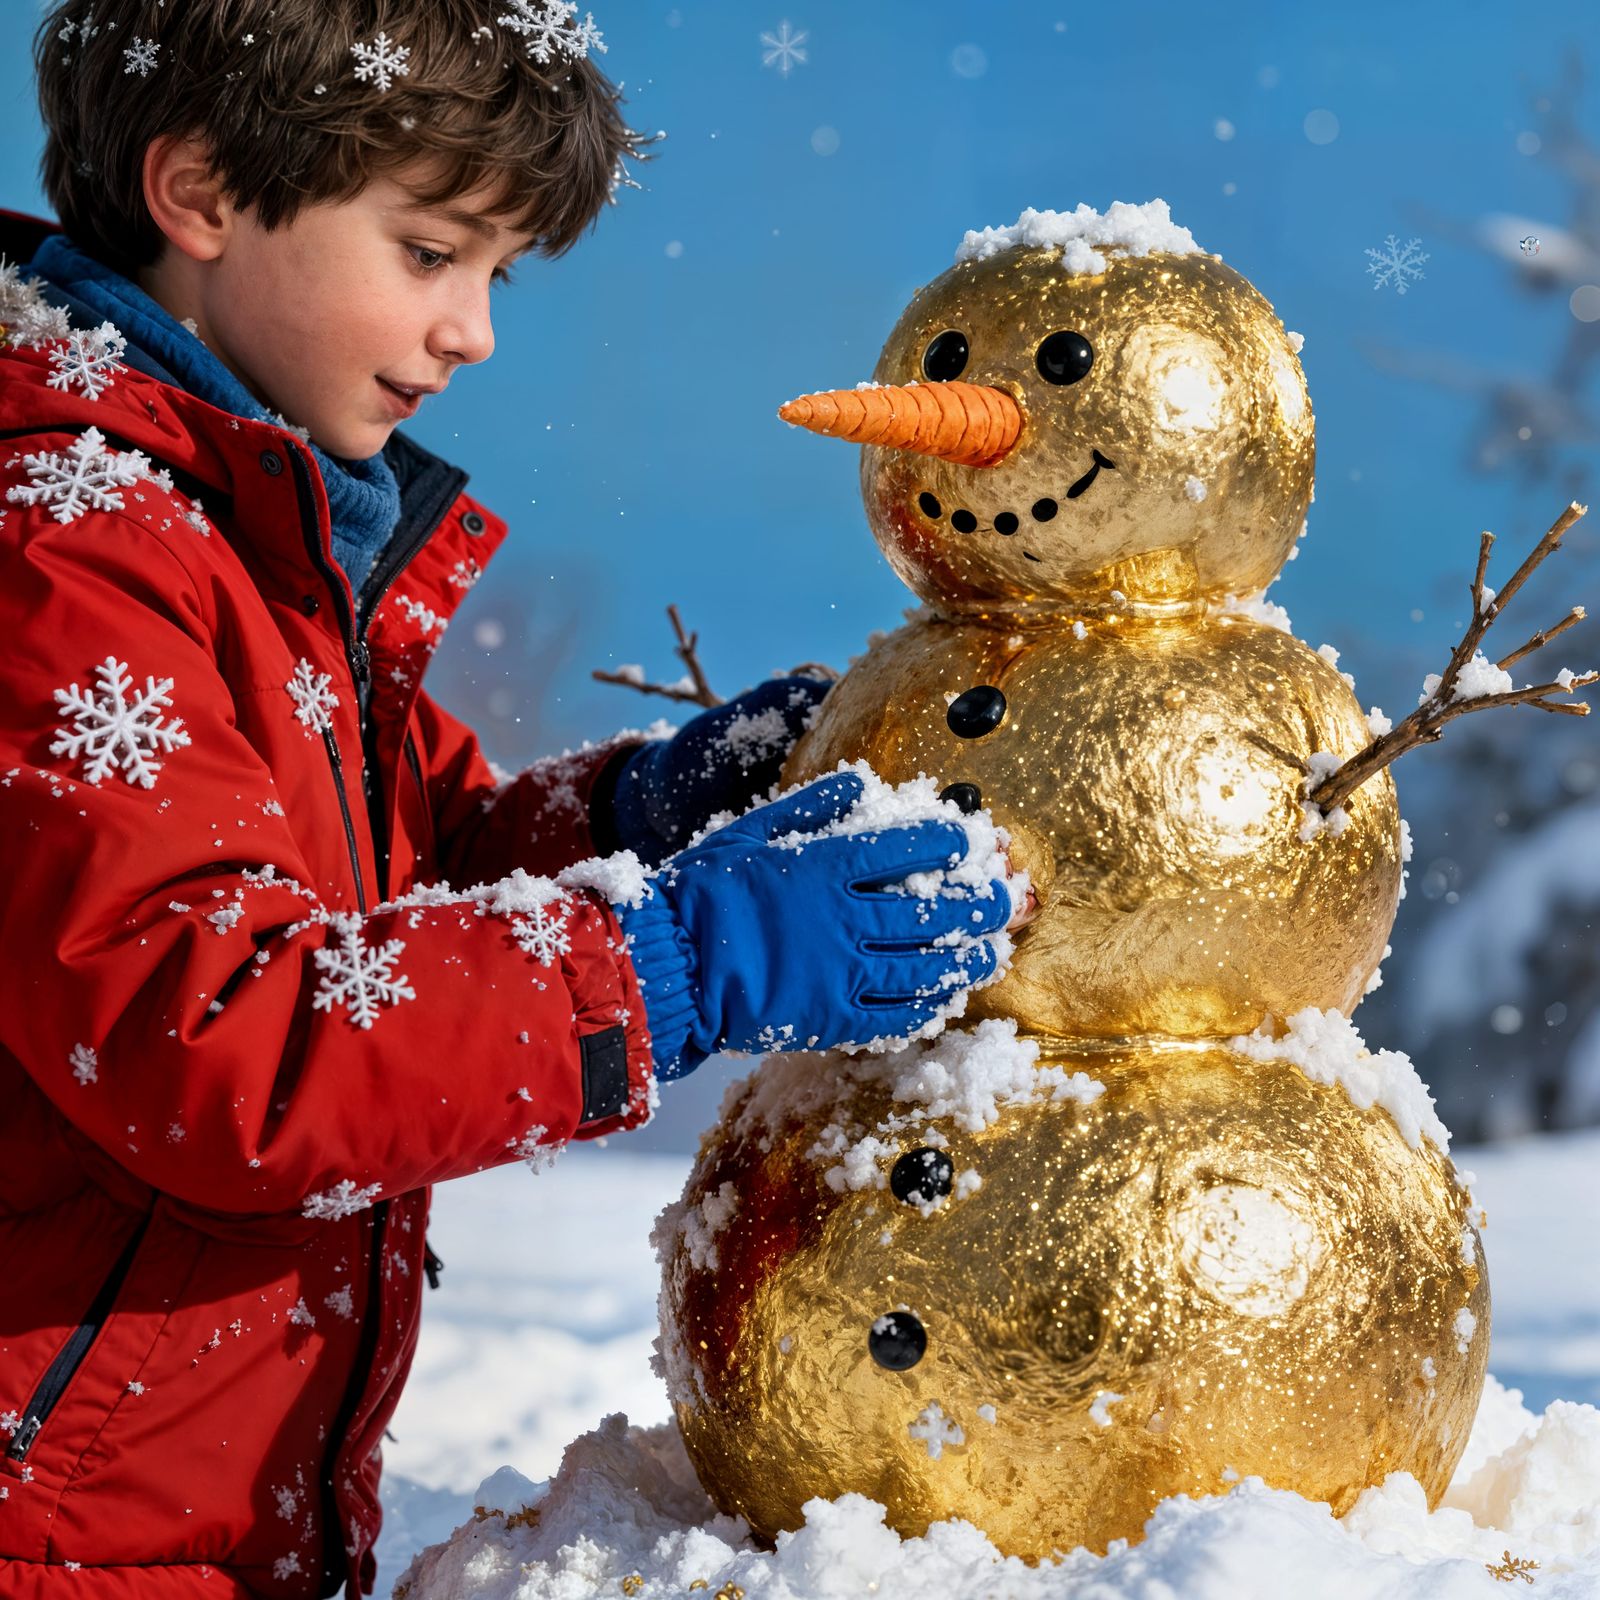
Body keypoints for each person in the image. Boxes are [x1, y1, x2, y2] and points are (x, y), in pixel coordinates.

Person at [0, 4, 1018, 1595]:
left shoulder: (242, 534)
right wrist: (670, 958)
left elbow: (421, 870)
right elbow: (224, 1039)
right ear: (197, 192)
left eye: (496, 274)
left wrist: (648, 814)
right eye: (426, 252)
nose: (473, 331)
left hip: (171, 1526)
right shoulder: (65, 559)